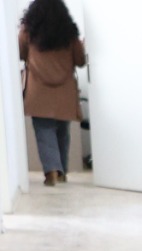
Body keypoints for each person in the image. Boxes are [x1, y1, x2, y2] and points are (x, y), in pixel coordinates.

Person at [17, 0, 86, 188]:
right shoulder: (69, 32)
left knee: (44, 130)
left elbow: (20, 53)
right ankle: (61, 171)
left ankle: (52, 170)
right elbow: (80, 60)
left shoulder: (28, 30)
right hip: (65, 91)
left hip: (38, 90)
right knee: (62, 131)